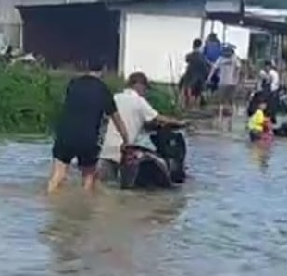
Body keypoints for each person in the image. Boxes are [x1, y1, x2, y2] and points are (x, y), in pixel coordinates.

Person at [47, 59, 131, 194]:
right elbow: (116, 119)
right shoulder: (103, 90)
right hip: (88, 138)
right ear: (103, 70)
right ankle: (85, 207)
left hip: (65, 134)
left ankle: (50, 202)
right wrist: (126, 139)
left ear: (87, 68)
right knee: (88, 176)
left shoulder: (73, 84)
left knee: (59, 174)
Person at [98, 72, 185, 183]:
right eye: (145, 88)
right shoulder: (139, 101)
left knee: (104, 186)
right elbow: (158, 118)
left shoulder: (116, 97)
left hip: (106, 151)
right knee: (123, 188)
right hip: (124, 152)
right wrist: (179, 122)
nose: (145, 92)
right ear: (138, 85)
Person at [207, 45, 241, 119]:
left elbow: (238, 69)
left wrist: (237, 79)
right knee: (222, 100)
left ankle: (232, 115)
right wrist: (209, 77)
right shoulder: (221, 59)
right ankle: (221, 114)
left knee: (231, 100)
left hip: (231, 82)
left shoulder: (234, 59)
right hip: (223, 82)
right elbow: (214, 68)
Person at [180, 38, 209, 108]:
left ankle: (188, 107)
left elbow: (187, 59)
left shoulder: (190, 55)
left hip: (190, 77)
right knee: (197, 94)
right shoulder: (203, 57)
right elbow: (206, 68)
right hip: (200, 78)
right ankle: (195, 108)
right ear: (201, 46)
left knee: (188, 92)